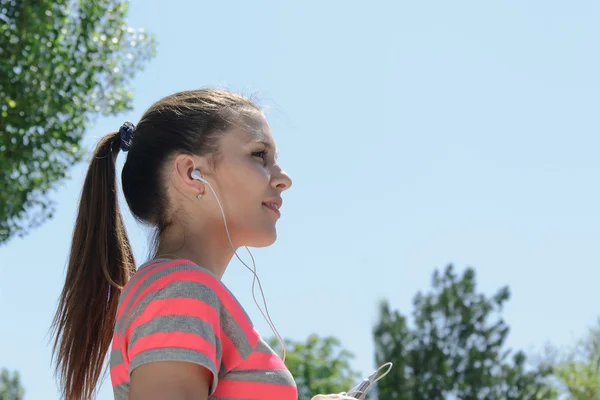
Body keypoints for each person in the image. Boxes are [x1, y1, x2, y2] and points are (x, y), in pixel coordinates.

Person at [50, 89, 358, 400]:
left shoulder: (178, 291)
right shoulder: (179, 292)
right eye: (259, 155)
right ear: (191, 174)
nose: (283, 178)